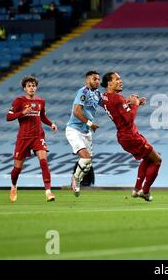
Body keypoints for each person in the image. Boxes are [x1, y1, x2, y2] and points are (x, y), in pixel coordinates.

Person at [101, 72, 161, 202]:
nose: (121, 81)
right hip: (131, 136)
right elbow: (129, 118)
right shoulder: (117, 98)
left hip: (123, 137)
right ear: (109, 83)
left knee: (148, 158)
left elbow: (116, 109)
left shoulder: (105, 97)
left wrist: (130, 102)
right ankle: (144, 191)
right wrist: (135, 104)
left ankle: (136, 189)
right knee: (157, 160)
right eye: (117, 79)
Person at [6, 76, 58, 202]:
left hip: (38, 136)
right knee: (17, 168)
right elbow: (8, 117)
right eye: (29, 86)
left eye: (34, 85)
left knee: (44, 161)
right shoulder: (19, 101)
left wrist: (51, 124)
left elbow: (43, 116)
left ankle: (48, 192)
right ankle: (13, 186)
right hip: (23, 138)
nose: (32, 88)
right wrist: (22, 112)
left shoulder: (40, 101)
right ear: (24, 88)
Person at [66, 70, 102, 196]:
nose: (97, 81)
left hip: (86, 133)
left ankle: (77, 179)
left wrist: (128, 105)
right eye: (94, 79)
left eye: (98, 79)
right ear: (87, 80)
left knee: (87, 164)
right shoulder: (83, 92)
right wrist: (90, 123)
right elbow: (77, 111)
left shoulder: (97, 93)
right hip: (74, 130)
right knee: (85, 157)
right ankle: (75, 180)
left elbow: (108, 105)